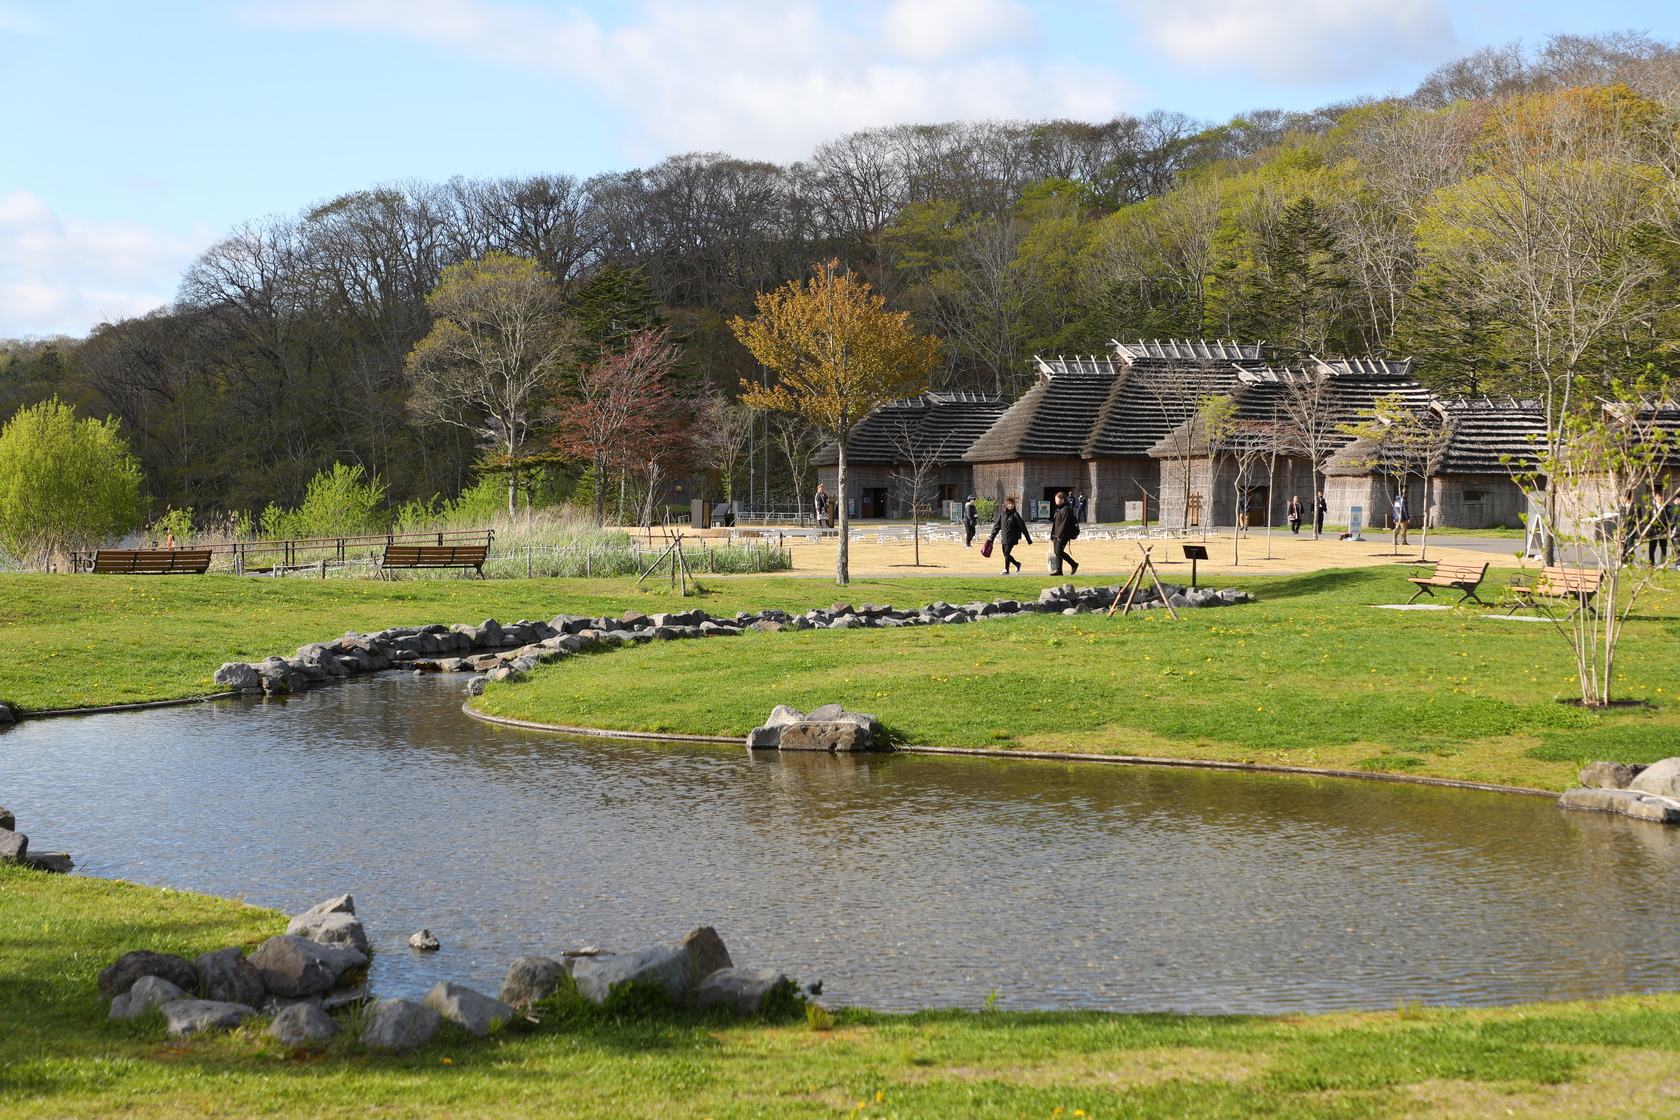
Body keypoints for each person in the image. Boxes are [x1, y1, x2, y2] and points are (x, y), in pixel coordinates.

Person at [987, 495, 1031, 574]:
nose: (1010, 505)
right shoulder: (1002, 515)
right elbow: (996, 527)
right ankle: (1017, 564)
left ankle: (1006, 570)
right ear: (1006, 505)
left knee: (1007, 553)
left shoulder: (1015, 515)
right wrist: (991, 538)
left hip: (1012, 537)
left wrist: (1028, 539)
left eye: (1012, 504)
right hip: (1004, 537)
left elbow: (1023, 527)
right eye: (1009, 504)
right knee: (1005, 554)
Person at [1049, 491, 1080, 576]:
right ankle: (1059, 571)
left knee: (1059, 551)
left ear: (1062, 499)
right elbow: (1055, 523)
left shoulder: (1066, 509)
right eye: (1055, 499)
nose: (1056, 501)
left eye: (1058, 499)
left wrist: (1060, 535)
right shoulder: (1058, 509)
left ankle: (1073, 564)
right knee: (1057, 552)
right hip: (1056, 533)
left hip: (1063, 534)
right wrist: (1052, 535)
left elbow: (1064, 523)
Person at [1646, 488, 1670, 567]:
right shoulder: (1651, 508)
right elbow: (1648, 518)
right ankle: (1651, 562)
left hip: (1663, 530)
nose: (1660, 498)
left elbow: (1669, 519)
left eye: (1661, 496)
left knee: (1663, 547)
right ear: (1655, 498)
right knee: (1652, 547)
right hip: (1653, 530)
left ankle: (1662, 563)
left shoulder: (1666, 507)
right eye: (1658, 496)